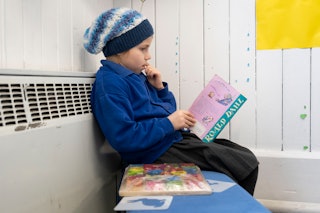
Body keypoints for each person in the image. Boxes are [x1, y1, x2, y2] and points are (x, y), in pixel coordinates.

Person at [83, 7, 259, 195]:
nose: (148, 55)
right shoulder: (110, 85)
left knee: (242, 154)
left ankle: (229, 203)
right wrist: (170, 123)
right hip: (155, 151)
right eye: (143, 48)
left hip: (170, 139)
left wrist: (159, 89)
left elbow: (165, 111)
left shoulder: (135, 75)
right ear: (119, 48)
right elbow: (124, 138)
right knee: (246, 165)